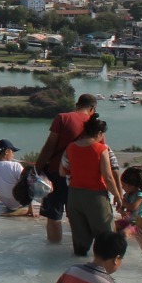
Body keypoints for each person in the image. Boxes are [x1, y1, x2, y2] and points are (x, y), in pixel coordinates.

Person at [35, 93, 99, 244]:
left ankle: (53, 251)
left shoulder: (63, 118)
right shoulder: (95, 124)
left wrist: (37, 168)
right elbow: (99, 153)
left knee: (54, 217)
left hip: (56, 173)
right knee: (78, 217)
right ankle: (78, 250)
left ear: (77, 105)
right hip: (82, 178)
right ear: (92, 109)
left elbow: (50, 146)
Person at [60, 115, 123, 256]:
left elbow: (62, 171)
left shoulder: (70, 147)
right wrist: (118, 196)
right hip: (96, 197)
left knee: (80, 240)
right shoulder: (101, 149)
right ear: (99, 133)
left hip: (74, 196)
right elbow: (107, 177)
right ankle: (106, 270)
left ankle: (79, 270)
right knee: (107, 238)